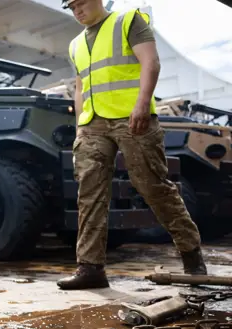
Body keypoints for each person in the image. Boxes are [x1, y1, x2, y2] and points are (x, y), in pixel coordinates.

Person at [56, 0, 208, 290]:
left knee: (153, 186)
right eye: (71, 7)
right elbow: (80, 87)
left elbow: (151, 62)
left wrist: (142, 105)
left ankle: (192, 256)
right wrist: (80, 128)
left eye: (81, 4)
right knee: (89, 193)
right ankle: (90, 268)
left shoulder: (128, 21)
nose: (77, 11)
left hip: (133, 118)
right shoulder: (76, 44)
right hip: (93, 124)